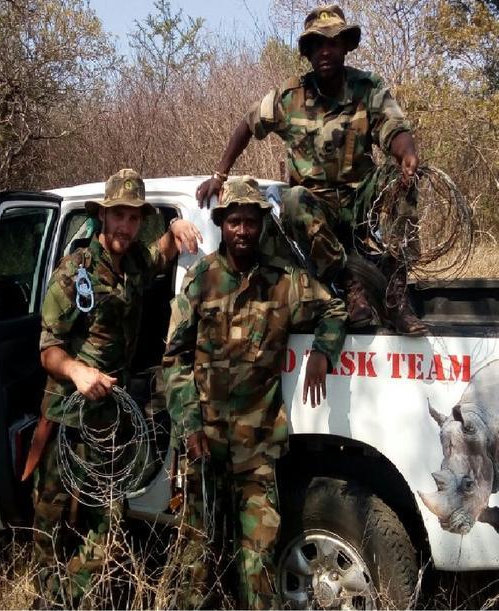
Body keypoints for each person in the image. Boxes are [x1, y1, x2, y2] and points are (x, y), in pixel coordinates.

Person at [163, 177, 347, 608]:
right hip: (203, 446)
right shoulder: (201, 278)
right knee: (195, 559)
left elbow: (334, 306)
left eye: (250, 221)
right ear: (221, 223)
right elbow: (173, 359)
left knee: (258, 560)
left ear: (262, 224)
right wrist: (189, 426)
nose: (242, 230)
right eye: (234, 221)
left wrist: (323, 351)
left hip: (257, 450)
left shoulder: (284, 282)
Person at [25, 168, 201, 606]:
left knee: (106, 535)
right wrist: (77, 371)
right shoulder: (75, 271)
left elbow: (160, 256)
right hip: (68, 419)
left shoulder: (136, 260)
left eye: (134, 217)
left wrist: (176, 228)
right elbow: (47, 348)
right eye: (118, 215)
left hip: (112, 423)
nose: (125, 225)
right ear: (103, 217)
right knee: (50, 526)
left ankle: (68, 595)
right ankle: (46, 598)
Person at [194, 4, 426, 336]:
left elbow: (394, 128)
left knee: (400, 178)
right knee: (293, 200)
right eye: (317, 45)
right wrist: (219, 175)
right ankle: (351, 287)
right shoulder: (290, 96)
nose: (326, 51)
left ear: (346, 46)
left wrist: (408, 154)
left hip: (362, 199)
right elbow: (247, 124)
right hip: (317, 209)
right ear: (308, 52)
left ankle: (396, 294)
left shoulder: (368, 88)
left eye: (333, 42)